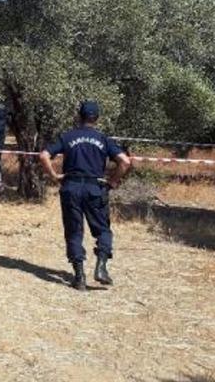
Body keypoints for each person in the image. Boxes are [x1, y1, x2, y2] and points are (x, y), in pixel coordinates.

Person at [39, 101, 131, 291]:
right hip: (94, 187)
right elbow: (125, 161)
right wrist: (113, 181)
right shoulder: (103, 139)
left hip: (71, 187)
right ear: (96, 118)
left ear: (79, 116)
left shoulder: (67, 137)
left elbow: (44, 155)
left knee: (74, 231)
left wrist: (55, 176)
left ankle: (79, 276)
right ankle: (101, 267)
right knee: (103, 230)